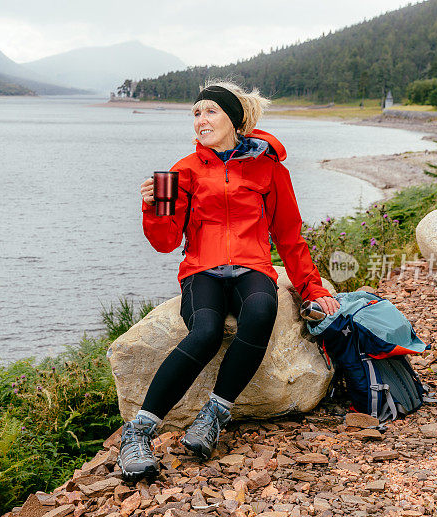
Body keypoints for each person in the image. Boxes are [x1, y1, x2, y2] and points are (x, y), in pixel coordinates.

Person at [118, 80, 340, 481]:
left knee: (260, 312)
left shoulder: (268, 168)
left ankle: (213, 414)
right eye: (196, 113)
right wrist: (152, 208)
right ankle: (137, 433)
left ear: (234, 120)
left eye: (210, 111)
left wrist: (313, 287)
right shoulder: (182, 171)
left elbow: (289, 235)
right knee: (205, 332)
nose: (201, 120)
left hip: (253, 267)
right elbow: (167, 242)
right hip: (201, 270)